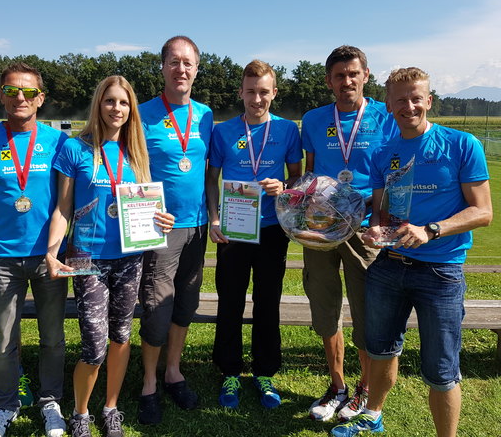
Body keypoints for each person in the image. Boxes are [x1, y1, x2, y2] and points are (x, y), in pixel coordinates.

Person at [331, 67, 493, 437]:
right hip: (389, 266)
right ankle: (373, 413)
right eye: (400, 99)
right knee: (381, 349)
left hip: (440, 272)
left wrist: (432, 230)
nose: (409, 106)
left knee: (441, 369)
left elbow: (483, 212)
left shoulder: (461, 144)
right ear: (388, 105)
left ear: (429, 100)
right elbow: (382, 211)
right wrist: (376, 229)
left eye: (416, 98)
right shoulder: (384, 154)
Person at [45, 76, 175, 437]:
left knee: (120, 336)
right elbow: (63, 209)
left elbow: (148, 203)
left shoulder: (137, 150)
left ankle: (111, 408)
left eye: (122, 102)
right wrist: (53, 252)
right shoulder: (75, 148)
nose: (116, 108)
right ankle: (81, 413)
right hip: (86, 258)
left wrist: (161, 220)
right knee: (93, 343)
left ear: (130, 108)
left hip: (129, 258)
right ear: (98, 105)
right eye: (109, 101)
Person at [0, 62, 69, 437]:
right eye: (10, 91)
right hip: (2, 258)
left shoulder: (58, 142)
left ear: (41, 98)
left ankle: (50, 402)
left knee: (52, 337)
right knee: (4, 341)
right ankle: (5, 404)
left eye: (27, 91)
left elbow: (68, 201)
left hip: (48, 257)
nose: (18, 97)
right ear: (1, 96)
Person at [300, 45, 399, 422]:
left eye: (353, 74)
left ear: (366, 75)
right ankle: (337, 384)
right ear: (329, 81)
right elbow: (310, 174)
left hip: (365, 229)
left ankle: (366, 388)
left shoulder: (384, 115)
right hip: (322, 230)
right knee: (325, 309)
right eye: (339, 76)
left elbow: (394, 171)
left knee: (367, 311)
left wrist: (381, 219)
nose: (347, 81)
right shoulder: (312, 119)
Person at [206, 60, 302, 409]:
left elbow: (297, 179)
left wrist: (284, 185)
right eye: (251, 91)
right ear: (241, 93)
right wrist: (214, 219)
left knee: (267, 302)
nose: (257, 98)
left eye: (264, 92)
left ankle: (265, 371)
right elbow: (210, 179)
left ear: (274, 93)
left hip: (273, 229)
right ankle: (229, 371)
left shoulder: (288, 130)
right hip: (233, 229)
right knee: (229, 301)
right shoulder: (223, 131)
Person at [137, 36, 213, 424]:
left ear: (197, 69)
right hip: (159, 229)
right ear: (162, 67)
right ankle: (149, 381)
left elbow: (211, 171)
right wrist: (148, 211)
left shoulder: (205, 115)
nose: (181, 69)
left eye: (188, 63)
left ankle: (173, 371)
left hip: (197, 228)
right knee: (155, 305)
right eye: (174, 62)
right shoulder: (142, 113)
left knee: (186, 303)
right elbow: (130, 169)